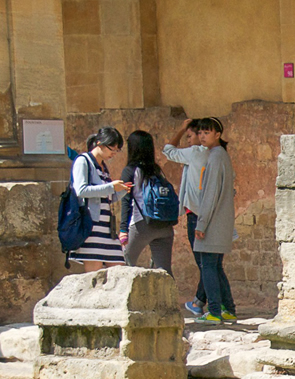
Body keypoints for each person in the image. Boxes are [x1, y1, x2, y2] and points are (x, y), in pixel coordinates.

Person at [190, 117, 237, 324]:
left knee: (207, 265)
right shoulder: (220, 155)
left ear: (218, 134)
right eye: (200, 133)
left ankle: (215, 312)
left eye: (206, 133)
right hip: (220, 220)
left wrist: (201, 224)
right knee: (215, 266)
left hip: (212, 222)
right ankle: (228, 308)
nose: (202, 136)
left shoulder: (216, 157)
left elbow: (210, 194)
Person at [164, 118, 210, 315]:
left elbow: (168, 150)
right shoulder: (214, 154)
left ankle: (201, 302)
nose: (189, 140)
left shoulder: (196, 152)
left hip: (196, 215)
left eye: (190, 136)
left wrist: (181, 129)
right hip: (207, 212)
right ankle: (201, 300)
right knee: (207, 262)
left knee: (204, 263)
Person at [69, 127, 131, 271]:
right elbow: (81, 190)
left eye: (117, 150)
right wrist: (111, 187)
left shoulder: (103, 166)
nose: (114, 153)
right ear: (100, 144)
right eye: (112, 149)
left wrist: (122, 190)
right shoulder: (83, 161)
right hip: (92, 228)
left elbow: (106, 197)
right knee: (95, 278)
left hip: (108, 228)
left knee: (118, 272)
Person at [118, 130, 176, 274]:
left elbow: (126, 201)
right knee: (165, 272)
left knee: (123, 265)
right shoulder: (157, 170)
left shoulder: (130, 170)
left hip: (142, 224)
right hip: (164, 225)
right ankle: (168, 296)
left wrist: (123, 230)